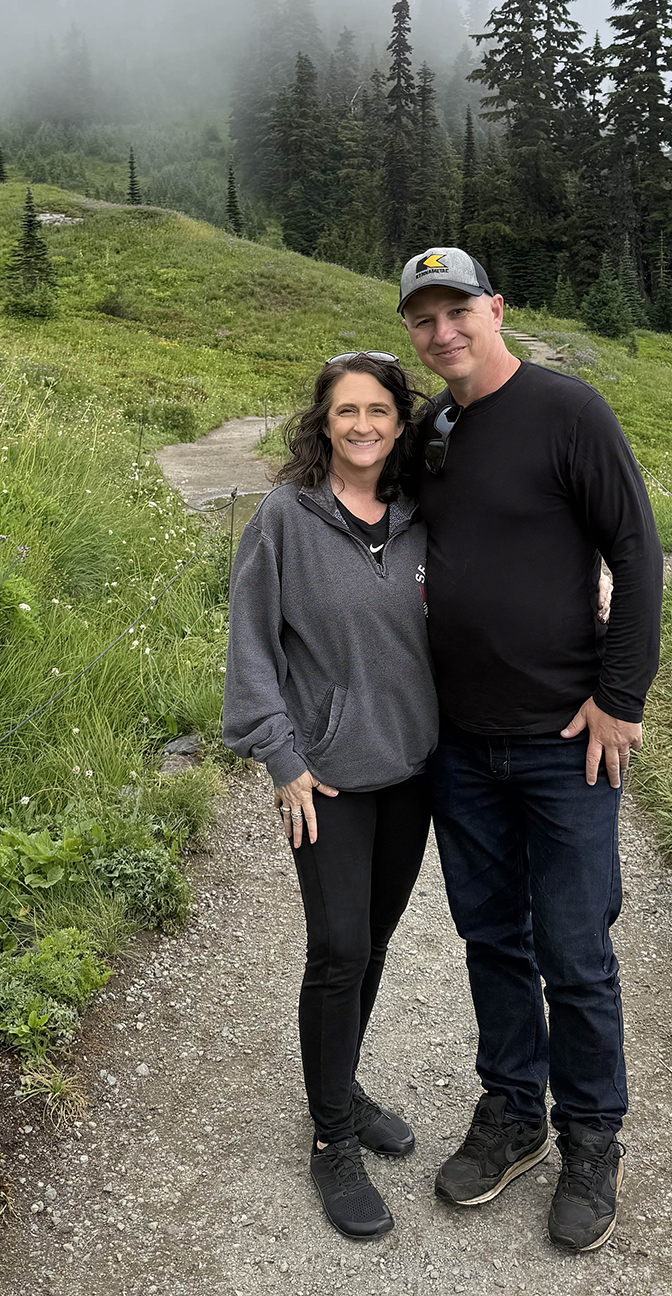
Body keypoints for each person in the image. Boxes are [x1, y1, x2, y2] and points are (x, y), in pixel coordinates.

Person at [398, 247, 664, 1253]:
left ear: (495, 309)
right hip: (460, 748)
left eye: (456, 310)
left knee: (575, 951)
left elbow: (636, 551)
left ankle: (593, 1136)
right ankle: (514, 1111)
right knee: (490, 939)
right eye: (423, 319)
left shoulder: (569, 413)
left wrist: (618, 698)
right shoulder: (433, 435)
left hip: (567, 744)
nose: (442, 333)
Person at [222, 352, 438, 1242]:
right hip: (327, 779)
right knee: (339, 946)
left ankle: (339, 1077)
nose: (362, 425)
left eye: (379, 410)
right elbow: (250, 643)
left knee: (376, 943)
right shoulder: (286, 518)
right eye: (346, 411)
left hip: (413, 773)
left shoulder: (424, 518)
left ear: (399, 422)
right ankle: (331, 1140)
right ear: (323, 422)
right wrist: (279, 757)